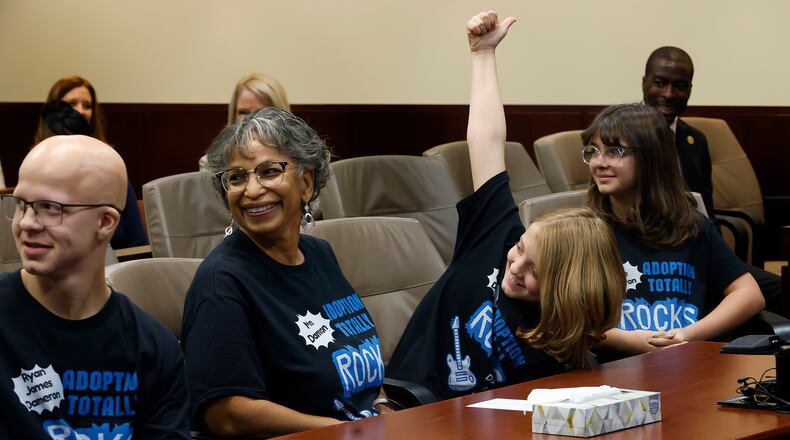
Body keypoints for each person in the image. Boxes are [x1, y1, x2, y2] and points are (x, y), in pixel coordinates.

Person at [386, 11, 625, 401]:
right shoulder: (494, 239)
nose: (514, 266)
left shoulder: (560, 345)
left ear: (565, 290)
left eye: (534, 271)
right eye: (520, 250)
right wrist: (482, 55)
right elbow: (486, 142)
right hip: (410, 407)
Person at [181, 107, 388, 437]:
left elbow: (364, 370)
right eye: (237, 177)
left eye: (269, 171)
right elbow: (228, 414)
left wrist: (384, 410)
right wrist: (342, 431)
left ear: (306, 183)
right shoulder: (221, 281)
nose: (252, 190)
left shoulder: (320, 255)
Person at [0, 135, 189, 438]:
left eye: (50, 207)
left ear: (105, 222)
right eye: (21, 204)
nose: (26, 223)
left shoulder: (154, 348)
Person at [583, 103, 765, 354]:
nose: (599, 162)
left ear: (651, 157)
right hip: (614, 372)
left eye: (615, 151)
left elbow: (749, 294)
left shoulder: (691, 225)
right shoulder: (585, 232)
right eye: (593, 151)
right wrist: (628, 340)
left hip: (688, 364)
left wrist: (688, 335)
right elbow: (567, 318)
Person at [642, 47, 783, 315]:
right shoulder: (623, 139)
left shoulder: (694, 140)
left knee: (780, 290)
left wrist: (718, 256)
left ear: (690, 90)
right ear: (644, 83)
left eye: (680, 86)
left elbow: (705, 207)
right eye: (660, 82)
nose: (669, 94)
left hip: (700, 252)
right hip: (651, 260)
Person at [32, 76, 148, 250]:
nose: (81, 111)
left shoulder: (112, 171)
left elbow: (138, 243)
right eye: (72, 104)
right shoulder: (36, 171)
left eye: (87, 105)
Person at [198, 73, 290, 170]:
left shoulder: (300, 157)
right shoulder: (212, 163)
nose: (251, 120)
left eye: (261, 112)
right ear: (234, 116)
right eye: (243, 112)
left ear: (280, 115)